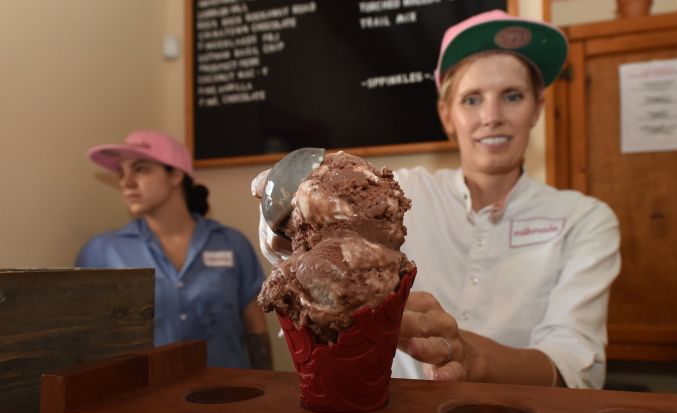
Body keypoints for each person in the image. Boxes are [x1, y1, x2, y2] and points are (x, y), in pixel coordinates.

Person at [259, 10, 620, 389]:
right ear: (447, 116)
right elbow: (293, 244)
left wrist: (473, 356)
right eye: (472, 100)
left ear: (537, 110)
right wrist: (285, 216)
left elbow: (577, 368)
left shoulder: (584, 219)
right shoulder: (397, 194)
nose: (492, 116)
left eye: (512, 96)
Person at [76, 130, 272, 370]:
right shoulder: (101, 252)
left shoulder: (231, 243)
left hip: (229, 398)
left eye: (140, 169)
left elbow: (256, 329)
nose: (126, 182)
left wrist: (265, 390)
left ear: (176, 174)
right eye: (121, 173)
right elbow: (85, 340)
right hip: (145, 402)